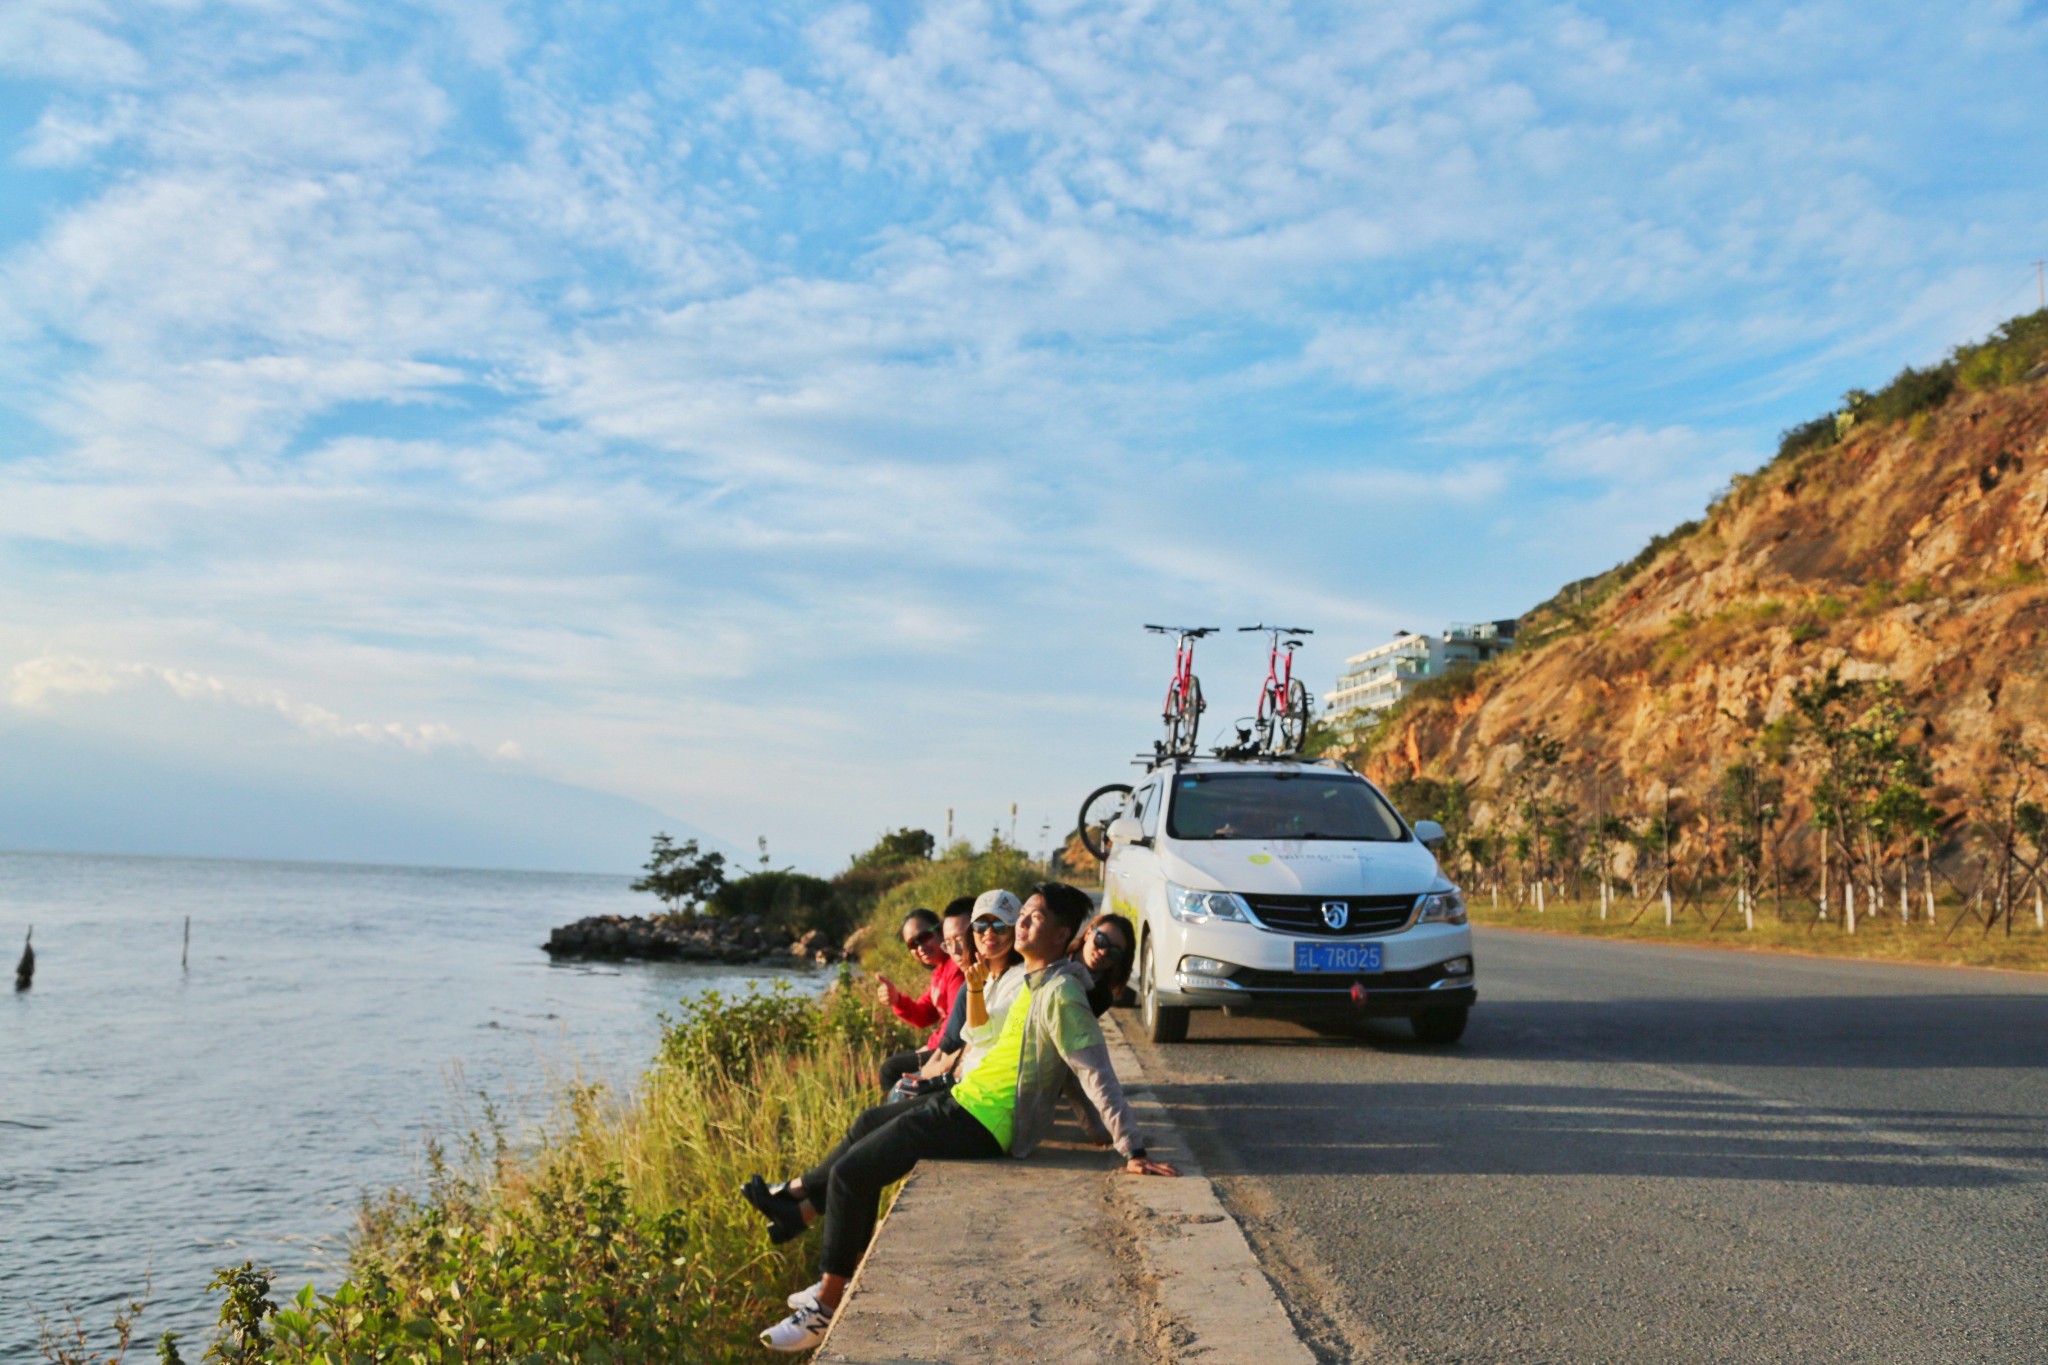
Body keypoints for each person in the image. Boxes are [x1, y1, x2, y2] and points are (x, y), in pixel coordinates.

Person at [744, 882, 1179, 1351]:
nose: (1023, 923)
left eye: (1034, 918)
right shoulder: (1032, 980)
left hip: (988, 1119)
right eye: (1024, 914)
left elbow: (1094, 1072)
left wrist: (1130, 1146)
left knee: (852, 1174)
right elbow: (989, 1037)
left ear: (1061, 936)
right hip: (967, 1100)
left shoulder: (1061, 992)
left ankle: (824, 1308)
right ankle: (813, 1236)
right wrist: (974, 987)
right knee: (870, 1125)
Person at [873, 902, 968, 1094]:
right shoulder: (940, 971)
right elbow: (925, 1015)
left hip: (953, 1049)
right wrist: (897, 1000)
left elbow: (956, 1024)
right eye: (912, 944)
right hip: (943, 1047)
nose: (920, 947)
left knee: (890, 1069)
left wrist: (929, 1048)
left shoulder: (955, 969)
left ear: (940, 930)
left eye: (924, 937)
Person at [1070, 911, 1136, 1016]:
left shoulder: (1101, 997)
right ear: (1088, 933)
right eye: (1101, 940)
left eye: (1114, 952)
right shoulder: (1053, 954)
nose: (1103, 952)